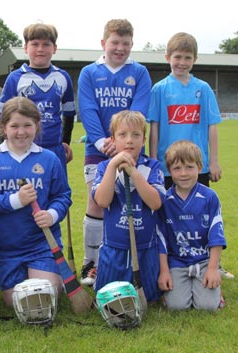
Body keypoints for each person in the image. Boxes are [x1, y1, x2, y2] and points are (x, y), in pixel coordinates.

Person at [147, 32, 233, 280]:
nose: (181, 62)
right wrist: (153, 160)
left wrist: (213, 161)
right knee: (166, 217)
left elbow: (212, 127)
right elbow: (154, 127)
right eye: (177, 57)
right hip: (166, 169)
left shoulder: (203, 89)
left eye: (187, 58)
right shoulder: (159, 89)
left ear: (194, 59)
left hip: (197, 167)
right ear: (167, 57)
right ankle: (167, 264)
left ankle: (211, 263)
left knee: (202, 216)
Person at [0, 96, 72, 306]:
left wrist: (52, 214)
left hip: (42, 244)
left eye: (28, 125)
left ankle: (55, 277)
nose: (21, 132)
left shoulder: (49, 159)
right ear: (3, 127)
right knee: (14, 302)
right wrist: (15, 200)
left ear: (37, 126)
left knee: (44, 295)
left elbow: (63, 195)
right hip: (9, 247)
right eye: (14, 126)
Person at [77, 19, 152, 286]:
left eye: (125, 43)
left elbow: (139, 111)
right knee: (98, 202)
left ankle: (130, 258)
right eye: (114, 42)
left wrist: (124, 143)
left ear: (132, 44)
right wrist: (100, 142)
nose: (120, 48)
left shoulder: (140, 72)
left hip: (130, 147)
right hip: (98, 150)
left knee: (130, 204)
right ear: (103, 43)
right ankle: (91, 263)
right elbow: (87, 109)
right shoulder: (89, 72)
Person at [92, 110, 165, 302]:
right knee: (109, 297)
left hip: (145, 248)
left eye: (136, 135)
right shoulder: (104, 167)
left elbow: (155, 202)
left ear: (144, 139)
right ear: (113, 140)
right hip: (114, 247)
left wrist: (133, 172)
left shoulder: (153, 166)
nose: (129, 140)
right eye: (122, 135)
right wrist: (112, 166)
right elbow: (102, 201)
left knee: (149, 299)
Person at [0, 23, 76, 172]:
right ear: (26, 48)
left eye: (46, 44)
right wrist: (4, 148)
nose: (40, 49)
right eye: (35, 44)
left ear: (54, 48)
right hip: (23, 147)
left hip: (54, 149)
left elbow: (69, 114)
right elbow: (3, 117)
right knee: (24, 192)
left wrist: (65, 142)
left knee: (57, 192)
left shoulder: (63, 77)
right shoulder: (15, 78)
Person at [157, 140, 227, 311]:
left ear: (200, 167)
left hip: (204, 261)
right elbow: (161, 240)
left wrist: (212, 268)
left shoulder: (210, 197)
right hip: (177, 262)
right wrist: (164, 271)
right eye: (177, 168)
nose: (184, 173)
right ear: (169, 171)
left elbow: (216, 236)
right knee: (177, 306)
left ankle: (216, 287)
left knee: (208, 306)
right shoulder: (165, 200)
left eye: (189, 167)